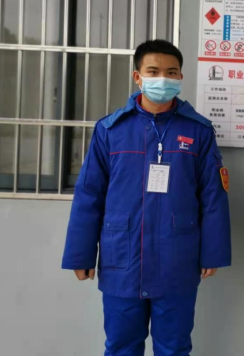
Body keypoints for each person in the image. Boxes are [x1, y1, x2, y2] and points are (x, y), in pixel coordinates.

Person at [61, 39, 231, 356]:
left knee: (174, 348)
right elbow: (89, 196)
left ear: (180, 77)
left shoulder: (198, 131)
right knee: (121, 346)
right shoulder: (110, 130)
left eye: (171, 72)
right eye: (153, 71)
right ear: (137, 76)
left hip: (177, 259)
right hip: (122, 260)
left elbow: (213, 196)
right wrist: (80, 254)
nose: (163, 78)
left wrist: (213, 252)